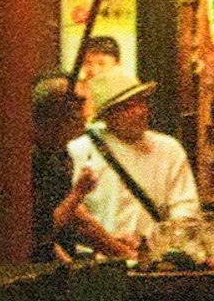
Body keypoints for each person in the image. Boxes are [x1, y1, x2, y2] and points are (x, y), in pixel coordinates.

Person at [62, 70, 199, 260]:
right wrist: (110, 242)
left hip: (156, 258)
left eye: (141, 102)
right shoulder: (79, 150)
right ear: (107, 115)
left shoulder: (169, 148)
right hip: (97, 261)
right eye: (127, 107)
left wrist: (161, 243)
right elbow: (72, 216)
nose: (139, 111)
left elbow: (185, 208)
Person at [28, 75, 90, 260]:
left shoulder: (59, 154)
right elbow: (37, 232)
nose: (84, 115)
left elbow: (77, 219)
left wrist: (120, 249)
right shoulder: (27, 157)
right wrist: (78, 194)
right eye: (77, 105)